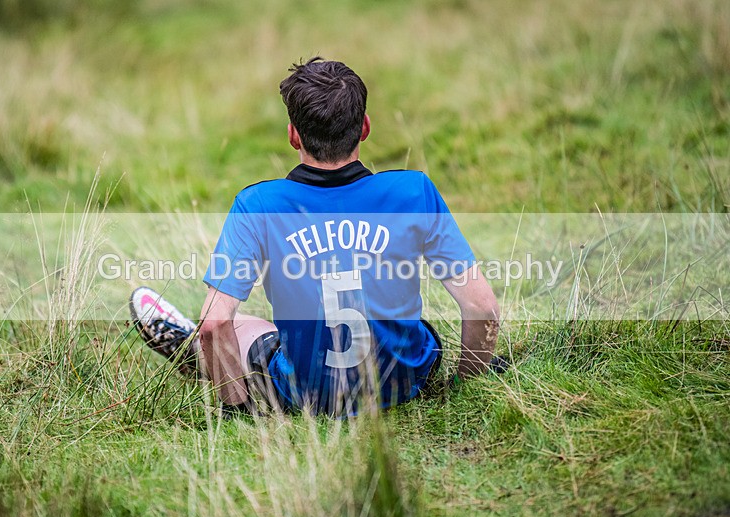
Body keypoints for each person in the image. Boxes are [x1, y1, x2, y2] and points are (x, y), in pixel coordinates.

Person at [130, 57, 500, 416]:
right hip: (404, 386)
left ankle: (193, 351)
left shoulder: (259, 203)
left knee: (249, 328)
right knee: (419, 332)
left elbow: (215, 322)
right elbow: (482, 308)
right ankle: (198, 351)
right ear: (365, 128)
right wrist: (464, 387)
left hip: (305, 398)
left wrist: (238, 412)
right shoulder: (413, 191)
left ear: (293, 135)